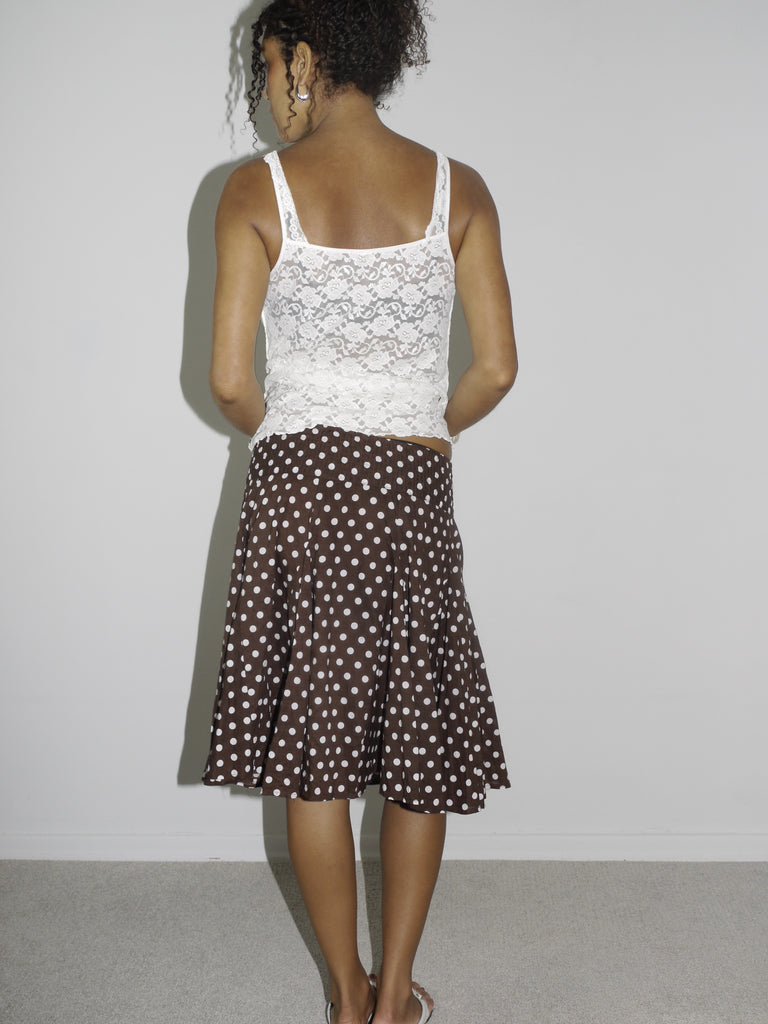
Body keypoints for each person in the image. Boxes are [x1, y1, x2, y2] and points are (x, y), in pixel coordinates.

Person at [202, 1, 518, 1022]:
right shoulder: (455, 188)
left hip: (299, 488)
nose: (262, 89)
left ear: (301, 57)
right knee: (414, 733)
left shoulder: (256, 190)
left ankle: (343, 994)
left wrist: (295, 428)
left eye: (264, 67)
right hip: (409, 487)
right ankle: (393, 999)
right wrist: (425, 421)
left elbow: (230, 383)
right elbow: (499, 366)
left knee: (315, 744)